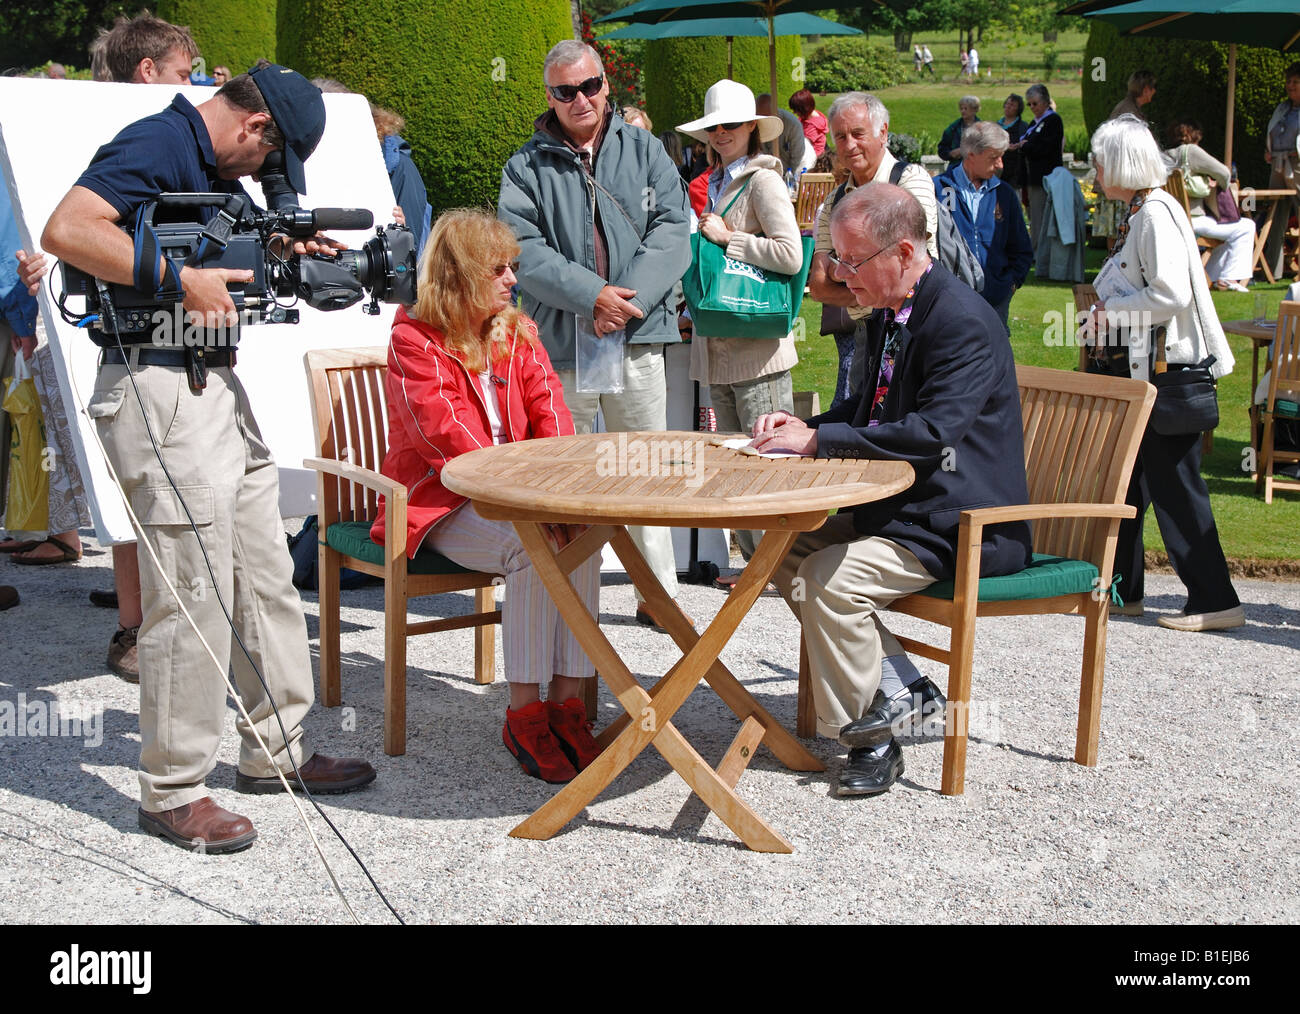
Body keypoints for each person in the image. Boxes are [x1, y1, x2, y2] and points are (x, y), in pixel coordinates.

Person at [39, 64, 376, 852]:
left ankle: (276, 750)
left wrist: (287, 244)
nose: (267, 175)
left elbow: (219, 244)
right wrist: (177, 279)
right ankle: (172, 789)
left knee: (263, 573)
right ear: (255, 129)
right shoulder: (158, 140)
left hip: (213, 384)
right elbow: (69, 229)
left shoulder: (210, 167)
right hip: (157, 390)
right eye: (271, 160)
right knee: (190, 589)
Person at [751, 184, 1032, 798]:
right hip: (903, 508)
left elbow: (930, 435)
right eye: (836, 259)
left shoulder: (961, 322)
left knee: (829, 578)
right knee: (776, 543)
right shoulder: (890, 308)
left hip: (963, 523)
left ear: (903, 252)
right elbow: (863, 407)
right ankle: (904, 685)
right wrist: (807, 428)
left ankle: (872, 741)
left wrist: (819, 446)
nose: (836, 275)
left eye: (850, 262)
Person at [372, 209, 601, 784]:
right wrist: (524, 498)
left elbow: (553, 411)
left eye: (512, 268)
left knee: (584, 539)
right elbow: (443, 437)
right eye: (497, 269)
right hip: (439, 502)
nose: (511, 280)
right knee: (530, 548)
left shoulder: (516, 331)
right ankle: (524, 714)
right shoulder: (413, 337)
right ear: (460, 275)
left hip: (518, 493)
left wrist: (557, 491)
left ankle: (566, 706)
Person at [17, 10, 204, 678]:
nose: (198, 86)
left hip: (185, 344)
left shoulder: (176, 138)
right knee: (135, 492)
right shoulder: (113, 138)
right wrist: (42, 269)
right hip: (127, 344)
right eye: (187, 74)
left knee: (169, 496)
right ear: (149, 71)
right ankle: (135, 629)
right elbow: (62, 223)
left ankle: (166, 624)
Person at [498, 40, 693, 632]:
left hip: (633, 334)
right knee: (568, 470)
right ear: (549, 97)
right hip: (565, 338)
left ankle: (656, 593)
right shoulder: (524, 167)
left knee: (646, 466)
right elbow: (521, 250)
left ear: (606, 85)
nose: (580, 99)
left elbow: (674, 228)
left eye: (589, 86)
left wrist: (621, 302)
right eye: (565, 91)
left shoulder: (645, 149)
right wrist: (592, 297)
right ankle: (568, 588)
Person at [1082, 115, 1243, 632]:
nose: (1094, 169)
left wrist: (1111, 313)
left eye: (1100, 159)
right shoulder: (1144, 210)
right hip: (1148, 373)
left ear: (1123, 161)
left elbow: (1170, 294)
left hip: (1168, 373)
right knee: (1127, 484)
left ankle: (1214, 599)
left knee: (1177, 489)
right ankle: (1123, 590)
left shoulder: (1154, 212)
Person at [677, 79, 802, 564]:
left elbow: (791, 256)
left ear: (752, 127)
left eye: (730, 124)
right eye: (713, 127)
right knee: (739, 465)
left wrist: (729, 238)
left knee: (765, 464)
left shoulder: (764, 180)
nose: (721, 133)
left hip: (756, 349)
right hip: (725, 346)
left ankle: (778, 566)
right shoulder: (724, 180)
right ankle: (757, 566)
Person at [807, 92, 938, 412]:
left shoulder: (912, 179)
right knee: (864, 426)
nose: (849, 144)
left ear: (883, 132)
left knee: (911, 426)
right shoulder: (834, 202)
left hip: (915, 331)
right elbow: (821, 285)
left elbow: (910, 269)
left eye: (858, 133)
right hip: (866, 336)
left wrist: (848, 277)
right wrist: (873, 285)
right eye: (840, 136)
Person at [934, 122, 1033, 333]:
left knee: (995, 360)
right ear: (970, 155)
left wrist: (1009, 285)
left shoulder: (1004, 193)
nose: (1000, 165)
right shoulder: (938, 189)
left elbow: (1022, 247)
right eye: (993, 157)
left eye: (1001, 156)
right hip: (947, 299)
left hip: (995, 300)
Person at [1166, 118, 1256, 293]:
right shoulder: (1191, 151)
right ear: (1193, 137)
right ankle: (1229, 278)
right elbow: (1224, 172)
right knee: (1246, 226)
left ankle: (1209, 277)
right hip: (1193, 220)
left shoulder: (1166, 155)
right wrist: (1215, 182)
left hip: (1173, 219)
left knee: (1225, 238)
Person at [1009, 83, 1064, 249]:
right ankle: (1036, 249)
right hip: (1031, 176)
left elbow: (1045, 148)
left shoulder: (1052, 120)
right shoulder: (1035, 121)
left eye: (1035, 103)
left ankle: (1039, 251)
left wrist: (1024, 146)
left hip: (1044, 177)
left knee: (1040, 216)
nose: (1032, 107)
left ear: (1046, 102)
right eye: (1029, 104)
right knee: (1034, 215)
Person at [1262, 62, 1300, 279]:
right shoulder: (1282, 108)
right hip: (1277, 164)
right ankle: (1271, 271)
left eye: (1295, 81)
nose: (1290, 85)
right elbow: (1272, 131)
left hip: (1298, 165)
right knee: (1274, 214)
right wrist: (1268, 150)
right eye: (1288, 81)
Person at [756, 92, 810, 172]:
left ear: (774, 112)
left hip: (793, 169)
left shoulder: (792, 125)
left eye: (767, 117)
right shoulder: (754, 123)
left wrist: (789, 176)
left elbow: (797, 156)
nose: (764, 122)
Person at [996, 93, 1028, 190]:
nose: (1008, 107)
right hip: (997, 168)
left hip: (1015, 169)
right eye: (1007, 104)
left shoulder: (1023, 126)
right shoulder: (997, 125)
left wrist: (1018, 145)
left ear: (1018, 109)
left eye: (1012, 105)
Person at [938, 95, 980, 168]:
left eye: (966, 108)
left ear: (974, 110)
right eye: (961, 108)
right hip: (956, 167)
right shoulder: (953, 128)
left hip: (976, 166)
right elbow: (942, 149)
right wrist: (950, 154)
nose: (962, 111)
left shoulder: (983, 128)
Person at [789, 88, 828, 158]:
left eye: (796, 110)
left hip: (814, 156)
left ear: (804, 109)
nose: (794, 112)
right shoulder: (807, 116)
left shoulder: (812, 126)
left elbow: (804, 144)